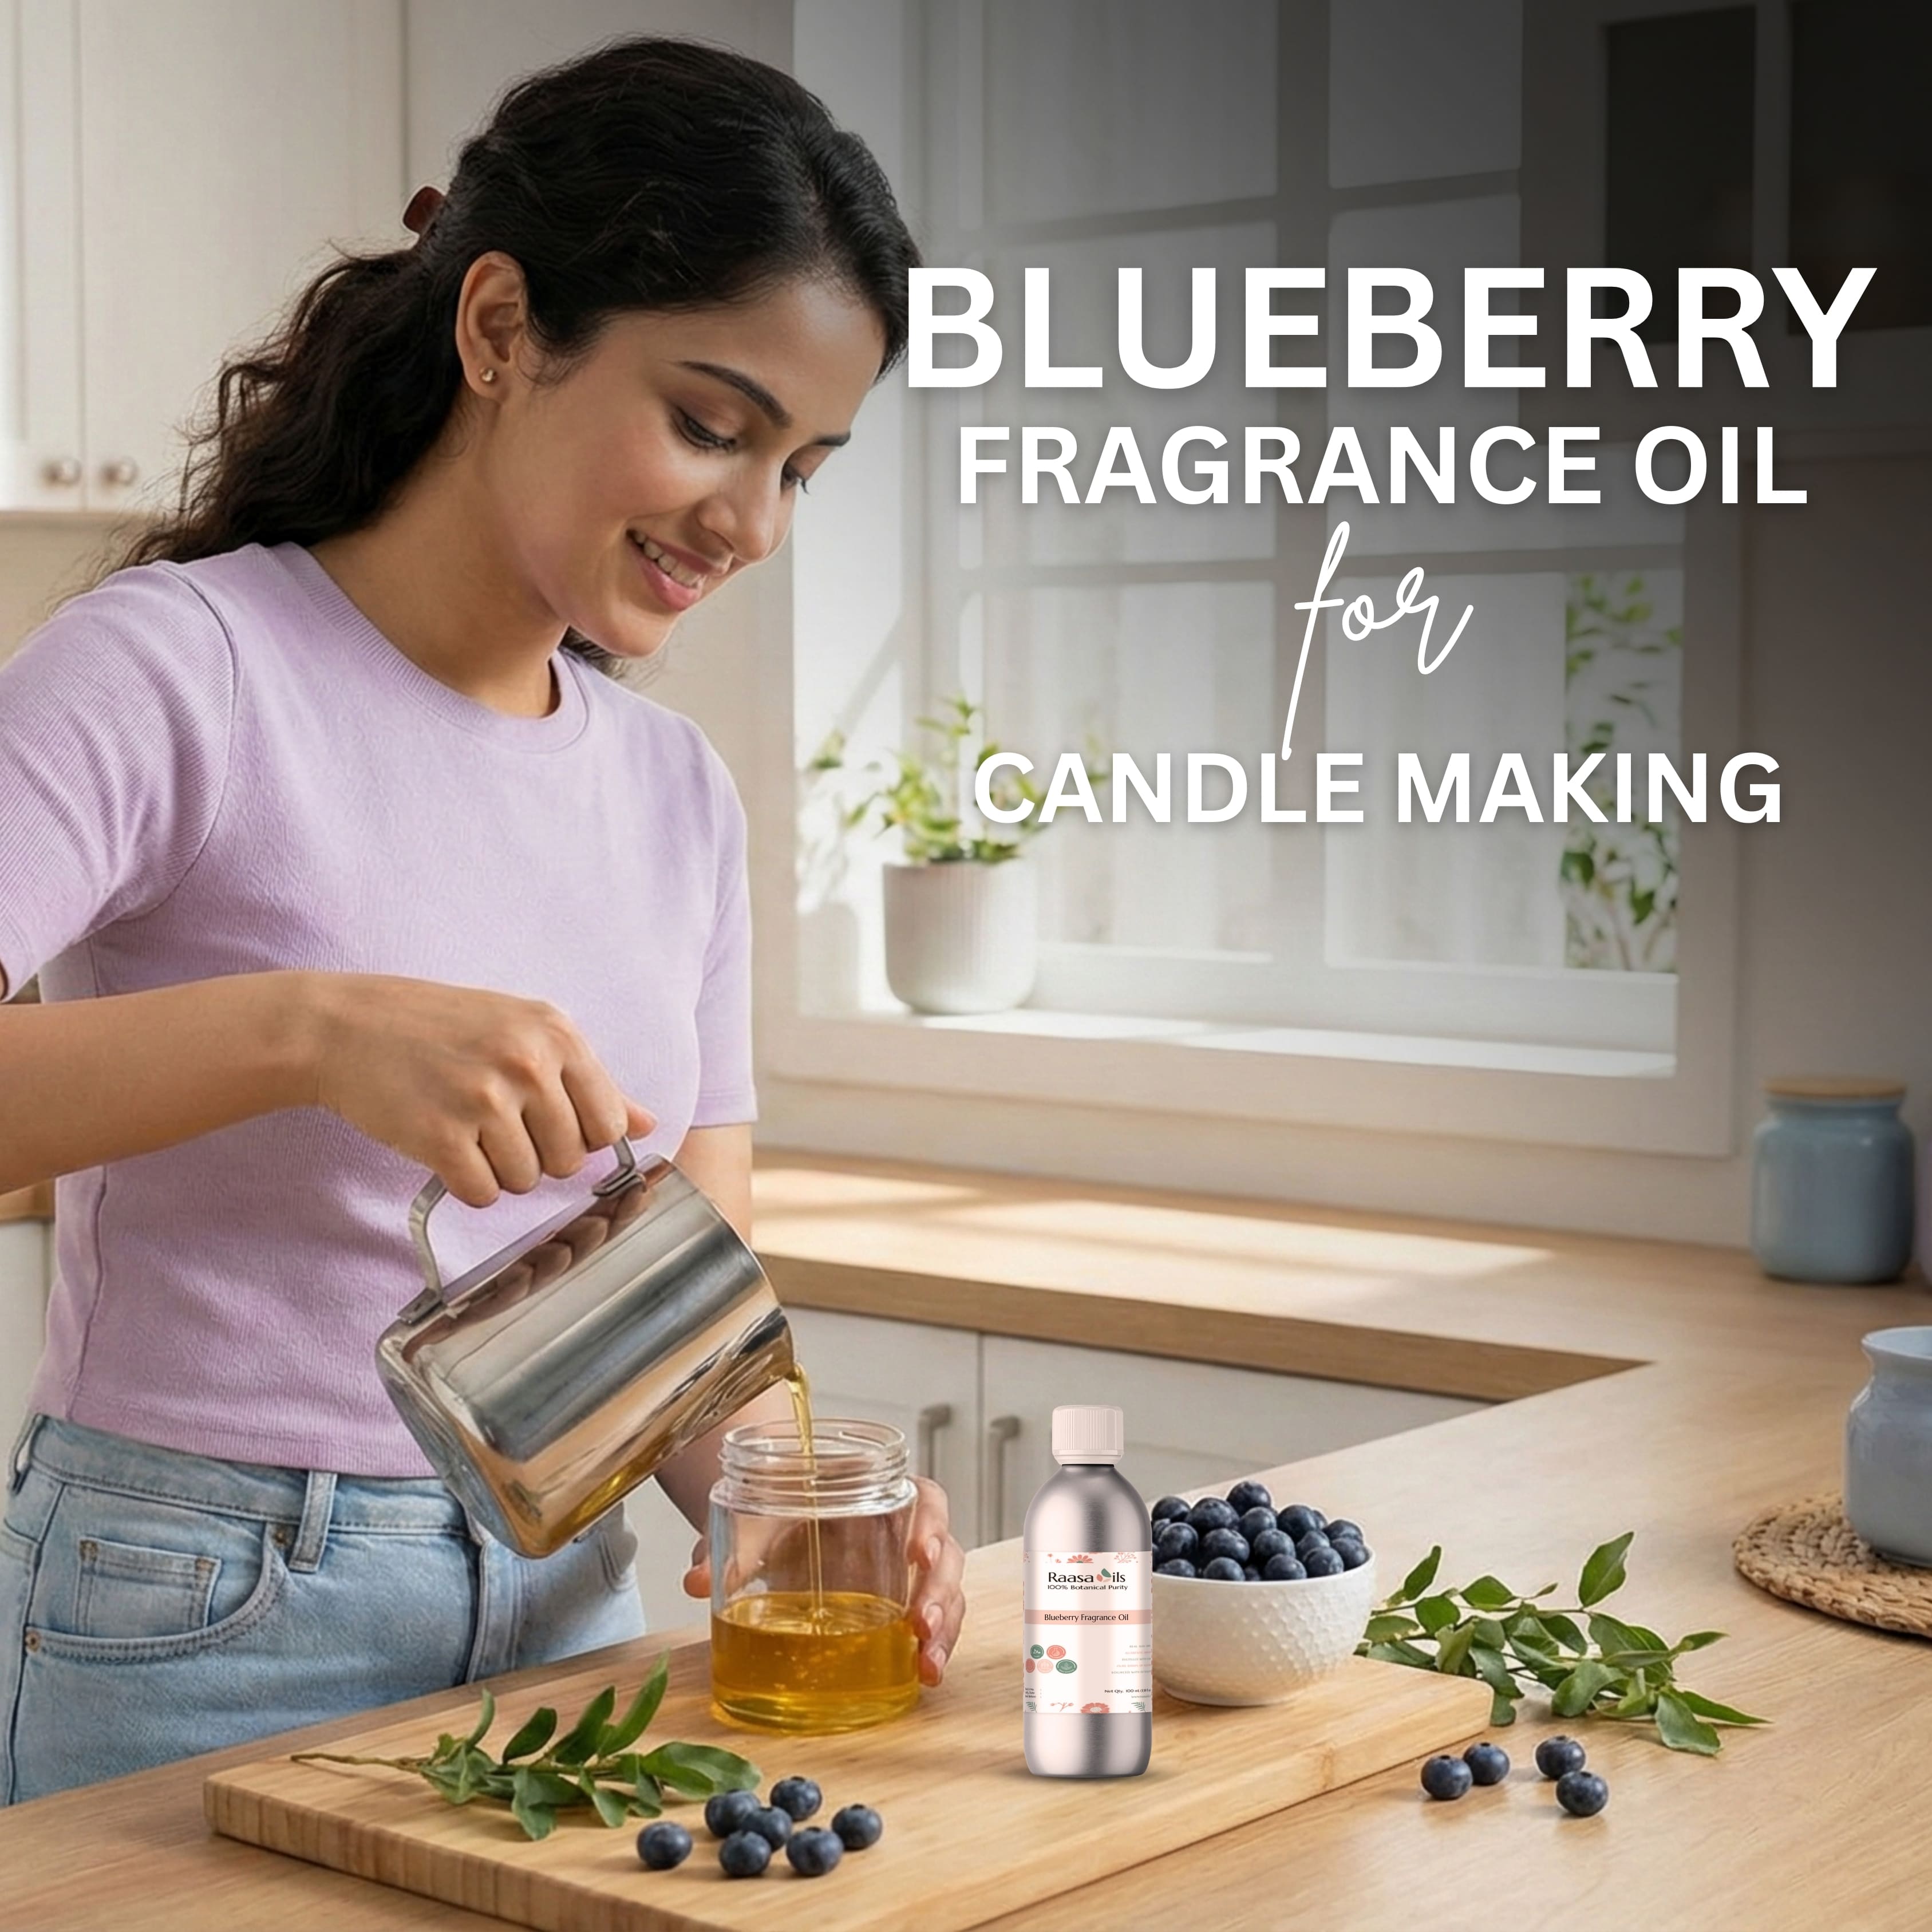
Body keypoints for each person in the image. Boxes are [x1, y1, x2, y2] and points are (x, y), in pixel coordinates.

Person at [0, 35, 966, 1805]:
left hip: (570, 1617)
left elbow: (685, 1307)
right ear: (504, 328)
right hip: (204, 1603)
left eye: (803, 468)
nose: (751, 523)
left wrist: (792, 1503)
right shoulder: (175, 673)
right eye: (709, 424)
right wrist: (309, 1031)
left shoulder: (676, 794)